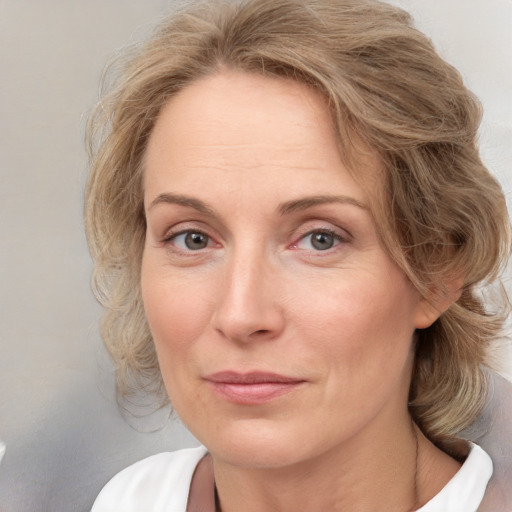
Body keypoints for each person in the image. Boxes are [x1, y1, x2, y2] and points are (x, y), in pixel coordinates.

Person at [85, 0, 511, 510]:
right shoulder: (131, 499)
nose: (241, 316)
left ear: (438, 273)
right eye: (192, 238)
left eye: (320, 239)